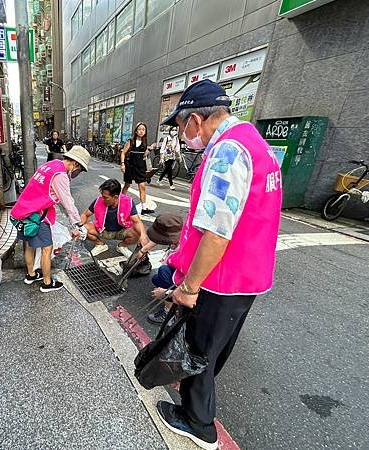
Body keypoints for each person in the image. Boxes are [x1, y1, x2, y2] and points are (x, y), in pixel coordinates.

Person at [153, 79, 282, 450]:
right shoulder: (257, 144)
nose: (182, 134)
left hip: (220, 278)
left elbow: (216, 233)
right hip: (249, 275)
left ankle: (197, 422)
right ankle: (198, 408)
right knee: (215, 348)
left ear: (196, 119)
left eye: (180, 126)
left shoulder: (227, 152)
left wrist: (189, 286)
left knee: (199, 351)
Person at [10, 146, 89, 292]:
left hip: (22, 210)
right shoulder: (60, 175)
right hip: (37, 216)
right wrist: (78, 223)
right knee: (47, 249)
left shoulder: (50, 165)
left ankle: (31, 274)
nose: (78, 173)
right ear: (76, 164)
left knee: (29, 244)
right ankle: (47, 283)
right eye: (80, 170)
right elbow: (67, 202)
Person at [79, 178, 149, 258]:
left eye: (106, 197)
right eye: (102, 196)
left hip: (121, 231)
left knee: (138, 232)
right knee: (82, 230)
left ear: (115, 197)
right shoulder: (99, 201)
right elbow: (85, 215)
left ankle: (122, 246)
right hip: (102, 230)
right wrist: (79, 227)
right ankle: (100, 244)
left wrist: (143, 236)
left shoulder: (128, 202)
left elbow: (137, 222)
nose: (103, 199)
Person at [143, 214, 184, 324]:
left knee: (164, 271)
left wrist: (167, 293)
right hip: (178, 273)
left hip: (190, 285)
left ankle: (169, 312)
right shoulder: (179, 237)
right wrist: (144, 249)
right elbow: (160, 238)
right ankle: (174, 301)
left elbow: (193, 283)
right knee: (156, 279)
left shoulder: (187, 248)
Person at [120, 122, 156, 214]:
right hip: (130, 166)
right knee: (127, 185)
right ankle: (119, 202)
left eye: (143, 130)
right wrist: (123, 164)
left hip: (140, 167)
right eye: (139, 129)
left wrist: (150, 149)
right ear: (136, 131)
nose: (141, 131)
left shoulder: (145, 142)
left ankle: (144, 208)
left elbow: (144, 155)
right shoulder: (131, 141)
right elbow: (123, 153)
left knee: (142, 186)